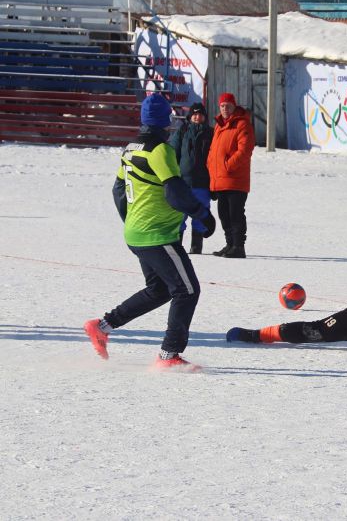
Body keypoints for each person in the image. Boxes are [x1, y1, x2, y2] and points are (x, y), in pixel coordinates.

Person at [83, 94, 216, 371]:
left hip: (137, 233)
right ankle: (169, 356)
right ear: (165, 120)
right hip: (158, 235)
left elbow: (118, 190)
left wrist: (131, 220)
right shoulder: (160, 150)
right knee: (187, 291)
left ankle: (103, 326)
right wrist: (202, 214)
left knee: (159, 290)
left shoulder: (130, 148)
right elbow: (175, 190)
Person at [207, 92, 255, 258]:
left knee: (235, 213)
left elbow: (245, 150)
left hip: (235, 178)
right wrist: (211, 171)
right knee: (223, 213)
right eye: (222, 106)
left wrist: (228, 165)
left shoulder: (242, 124)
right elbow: (214, 152)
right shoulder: (219, 125)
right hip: (220, 179)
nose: (225, 109)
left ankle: (238, 246)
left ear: (234, 106)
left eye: (228, 105)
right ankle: (229, 244)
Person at [169, 102, 213, 254]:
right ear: (190, 116)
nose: (197, 117)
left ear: (204, 117)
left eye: (200, 114)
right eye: (194, 114)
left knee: (200, 215)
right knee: (179, 215)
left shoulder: (211, 133)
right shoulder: (183, 130)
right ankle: (177, 245)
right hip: (183, 182)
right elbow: (172, 152)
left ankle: (196, 247)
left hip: (202, 182)